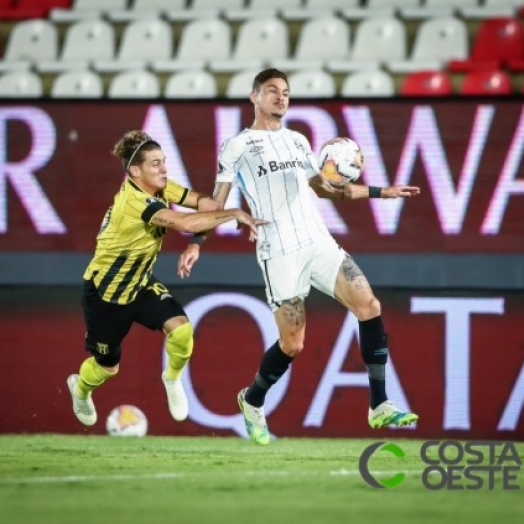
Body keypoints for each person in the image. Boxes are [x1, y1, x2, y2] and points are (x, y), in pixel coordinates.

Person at [177, 69, 421, 446]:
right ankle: (252, 399)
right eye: (272, 91)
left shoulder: (298, 141)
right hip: (279, 251)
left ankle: (379, 403)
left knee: (369, 304)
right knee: (293, 345)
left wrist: (381, 192)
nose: (280, 97)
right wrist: (196, 242)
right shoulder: (238, 147)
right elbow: (217, 203)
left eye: (286, 92)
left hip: (317, 241)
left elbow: (324, 190)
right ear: (254, 96)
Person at [67, 130, 265, 427]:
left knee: (182, 331)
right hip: (106, 294)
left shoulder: (157, 188)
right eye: (156, 164)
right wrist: (233, 213)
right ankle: (80, 390)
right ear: (135, 171)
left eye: (163, 162)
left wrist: (226, 199)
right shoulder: (135, 203)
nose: (164, 169)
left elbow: (200, 203)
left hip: (140, 283)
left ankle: (172, 380)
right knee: (107, 368)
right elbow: (185, 222)